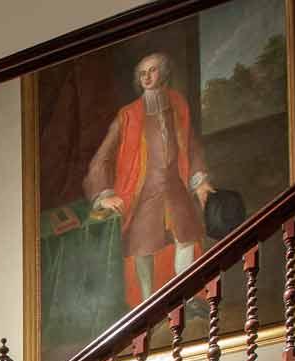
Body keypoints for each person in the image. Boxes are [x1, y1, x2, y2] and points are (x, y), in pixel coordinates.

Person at [84, 52, 215, 304]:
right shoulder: (128, 114)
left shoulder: (178, 104)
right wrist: (105, 193)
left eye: (152, 71)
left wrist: (199, 179)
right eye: (142, 73)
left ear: (163, 73)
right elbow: (103, 156)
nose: (146, 76)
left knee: (185, 237)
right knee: (143, 247)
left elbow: (191, 145)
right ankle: (147, 303)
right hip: (143, 189)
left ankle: (184, 298)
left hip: (175, 185)